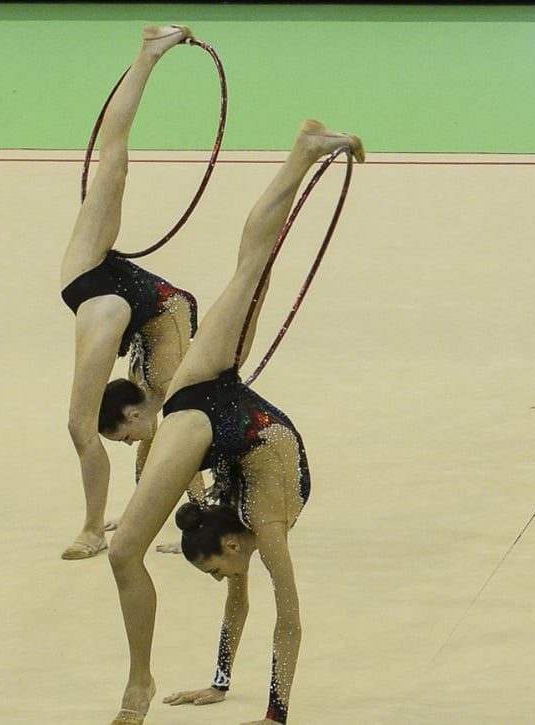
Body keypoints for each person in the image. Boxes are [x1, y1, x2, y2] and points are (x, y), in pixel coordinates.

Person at [104, 116, 364, 725]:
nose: (224, 579)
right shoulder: (262, 529)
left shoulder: (250, 528)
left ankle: (302, 153)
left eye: (217, 570)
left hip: (210, 405)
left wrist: (238, 695)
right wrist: (270, 710)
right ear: (229, 543)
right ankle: (139, 682)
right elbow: (288, 618)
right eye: (220, 569)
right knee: (251, 268)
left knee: (251, 269)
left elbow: (262, 611)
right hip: (210, 408)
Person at [59, 25, 204, 560]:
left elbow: (84, 427)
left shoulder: (129, 363)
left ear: (131, 414)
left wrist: (93, 526)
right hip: (87, 281)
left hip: (163, 311)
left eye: (121, 437)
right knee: (113, 159)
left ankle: (101, 528)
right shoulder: (108, 346)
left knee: (181, 418)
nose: (127, 441)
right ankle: (148, 53)